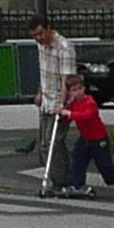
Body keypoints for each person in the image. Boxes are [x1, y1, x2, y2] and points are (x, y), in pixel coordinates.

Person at [56, 80, 114, 197]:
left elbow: (87, 116)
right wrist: (62, 115)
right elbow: (69, 118)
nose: (78, 92)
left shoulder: (90, 102)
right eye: (74, 90)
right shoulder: (73, 104)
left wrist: (69, 114)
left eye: (80, 88)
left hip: (99, 138)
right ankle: (77, 184)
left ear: (84, 88)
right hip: (85, 138)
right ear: (70, 93)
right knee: (78, 159)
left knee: (104, 165)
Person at [30, 15, 78, 170]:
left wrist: (62, 106)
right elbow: (44, 71)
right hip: (46, 99)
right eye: (34, 35)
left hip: (58, 100)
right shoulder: (40, 45)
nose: (39, 38)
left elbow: (67, 80)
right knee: (44, 144)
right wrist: (40, 93)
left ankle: (65, 175)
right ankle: (52, 176)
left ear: (49, 28)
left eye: (41, 33)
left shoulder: (63, 47)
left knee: (54, 142)